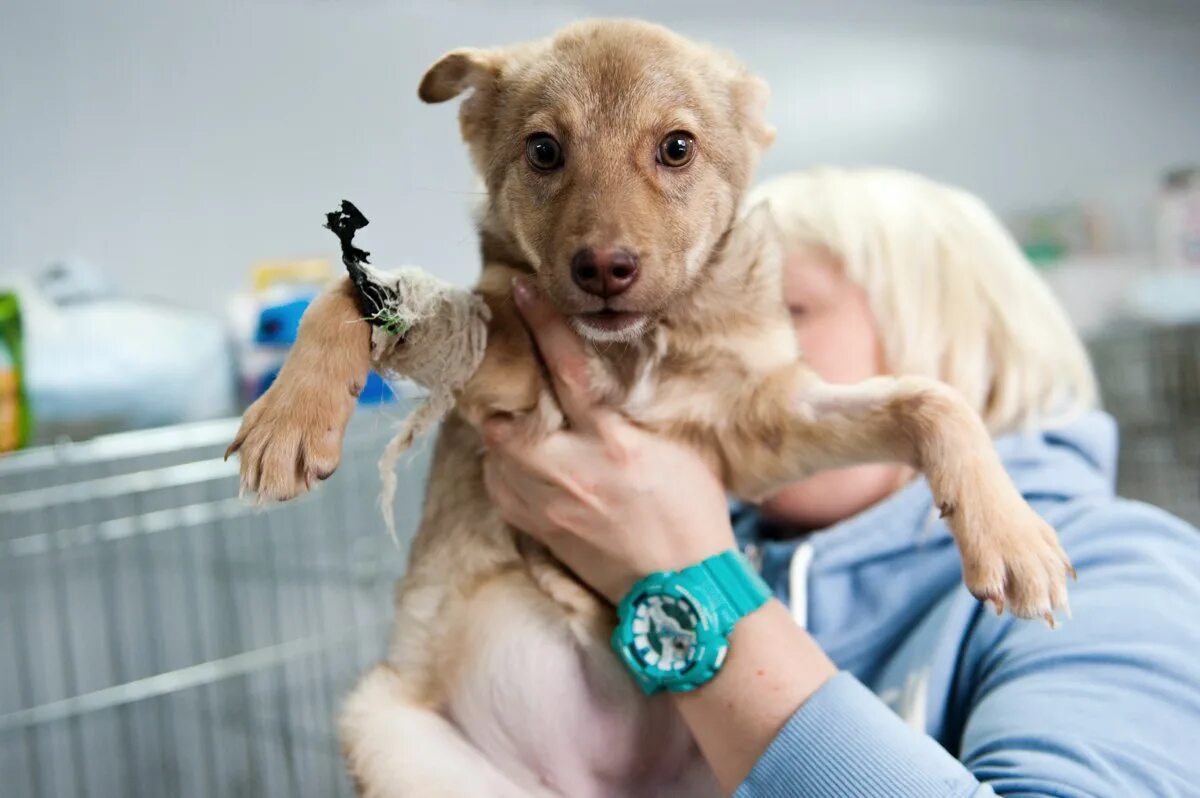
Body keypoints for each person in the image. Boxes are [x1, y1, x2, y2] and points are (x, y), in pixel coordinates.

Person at [481, 167, 1200, 797]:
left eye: (783, 312)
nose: (697, 354)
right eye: (691, 320)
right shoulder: (626, 563)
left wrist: (687, 581)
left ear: (948, 340)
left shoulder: (1120, 570)